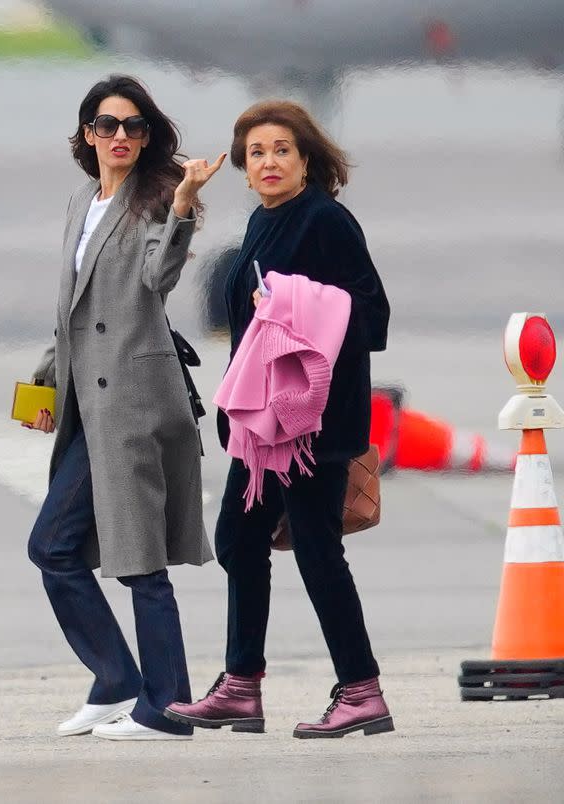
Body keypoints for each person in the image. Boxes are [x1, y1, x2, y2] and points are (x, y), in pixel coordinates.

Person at [165, 100, 393, 738]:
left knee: (318, 550)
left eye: (282, 150)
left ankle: (360, 691)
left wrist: (296, 304)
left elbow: (371, 317)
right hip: (266, 430)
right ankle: (241, 687)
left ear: (306, 160)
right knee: (239, 541)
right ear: (242, 167)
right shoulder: (264, 223)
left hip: (313, 425)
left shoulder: (326, 220)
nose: (268, 162)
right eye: (257, 152)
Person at [25, 75, 224, 741]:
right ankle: (115, 681)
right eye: (108, 125)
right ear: (87, 133)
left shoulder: (155, 203)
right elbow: (71, 315)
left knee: (137, 561)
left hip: (136, 405)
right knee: (56, 547)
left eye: (134, 128)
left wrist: (187, 203)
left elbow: (155, 278)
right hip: (89, 401)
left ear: (148, 137)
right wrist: (43, 389)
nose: (120, 137)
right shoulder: (83, 200)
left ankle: (165, 705)